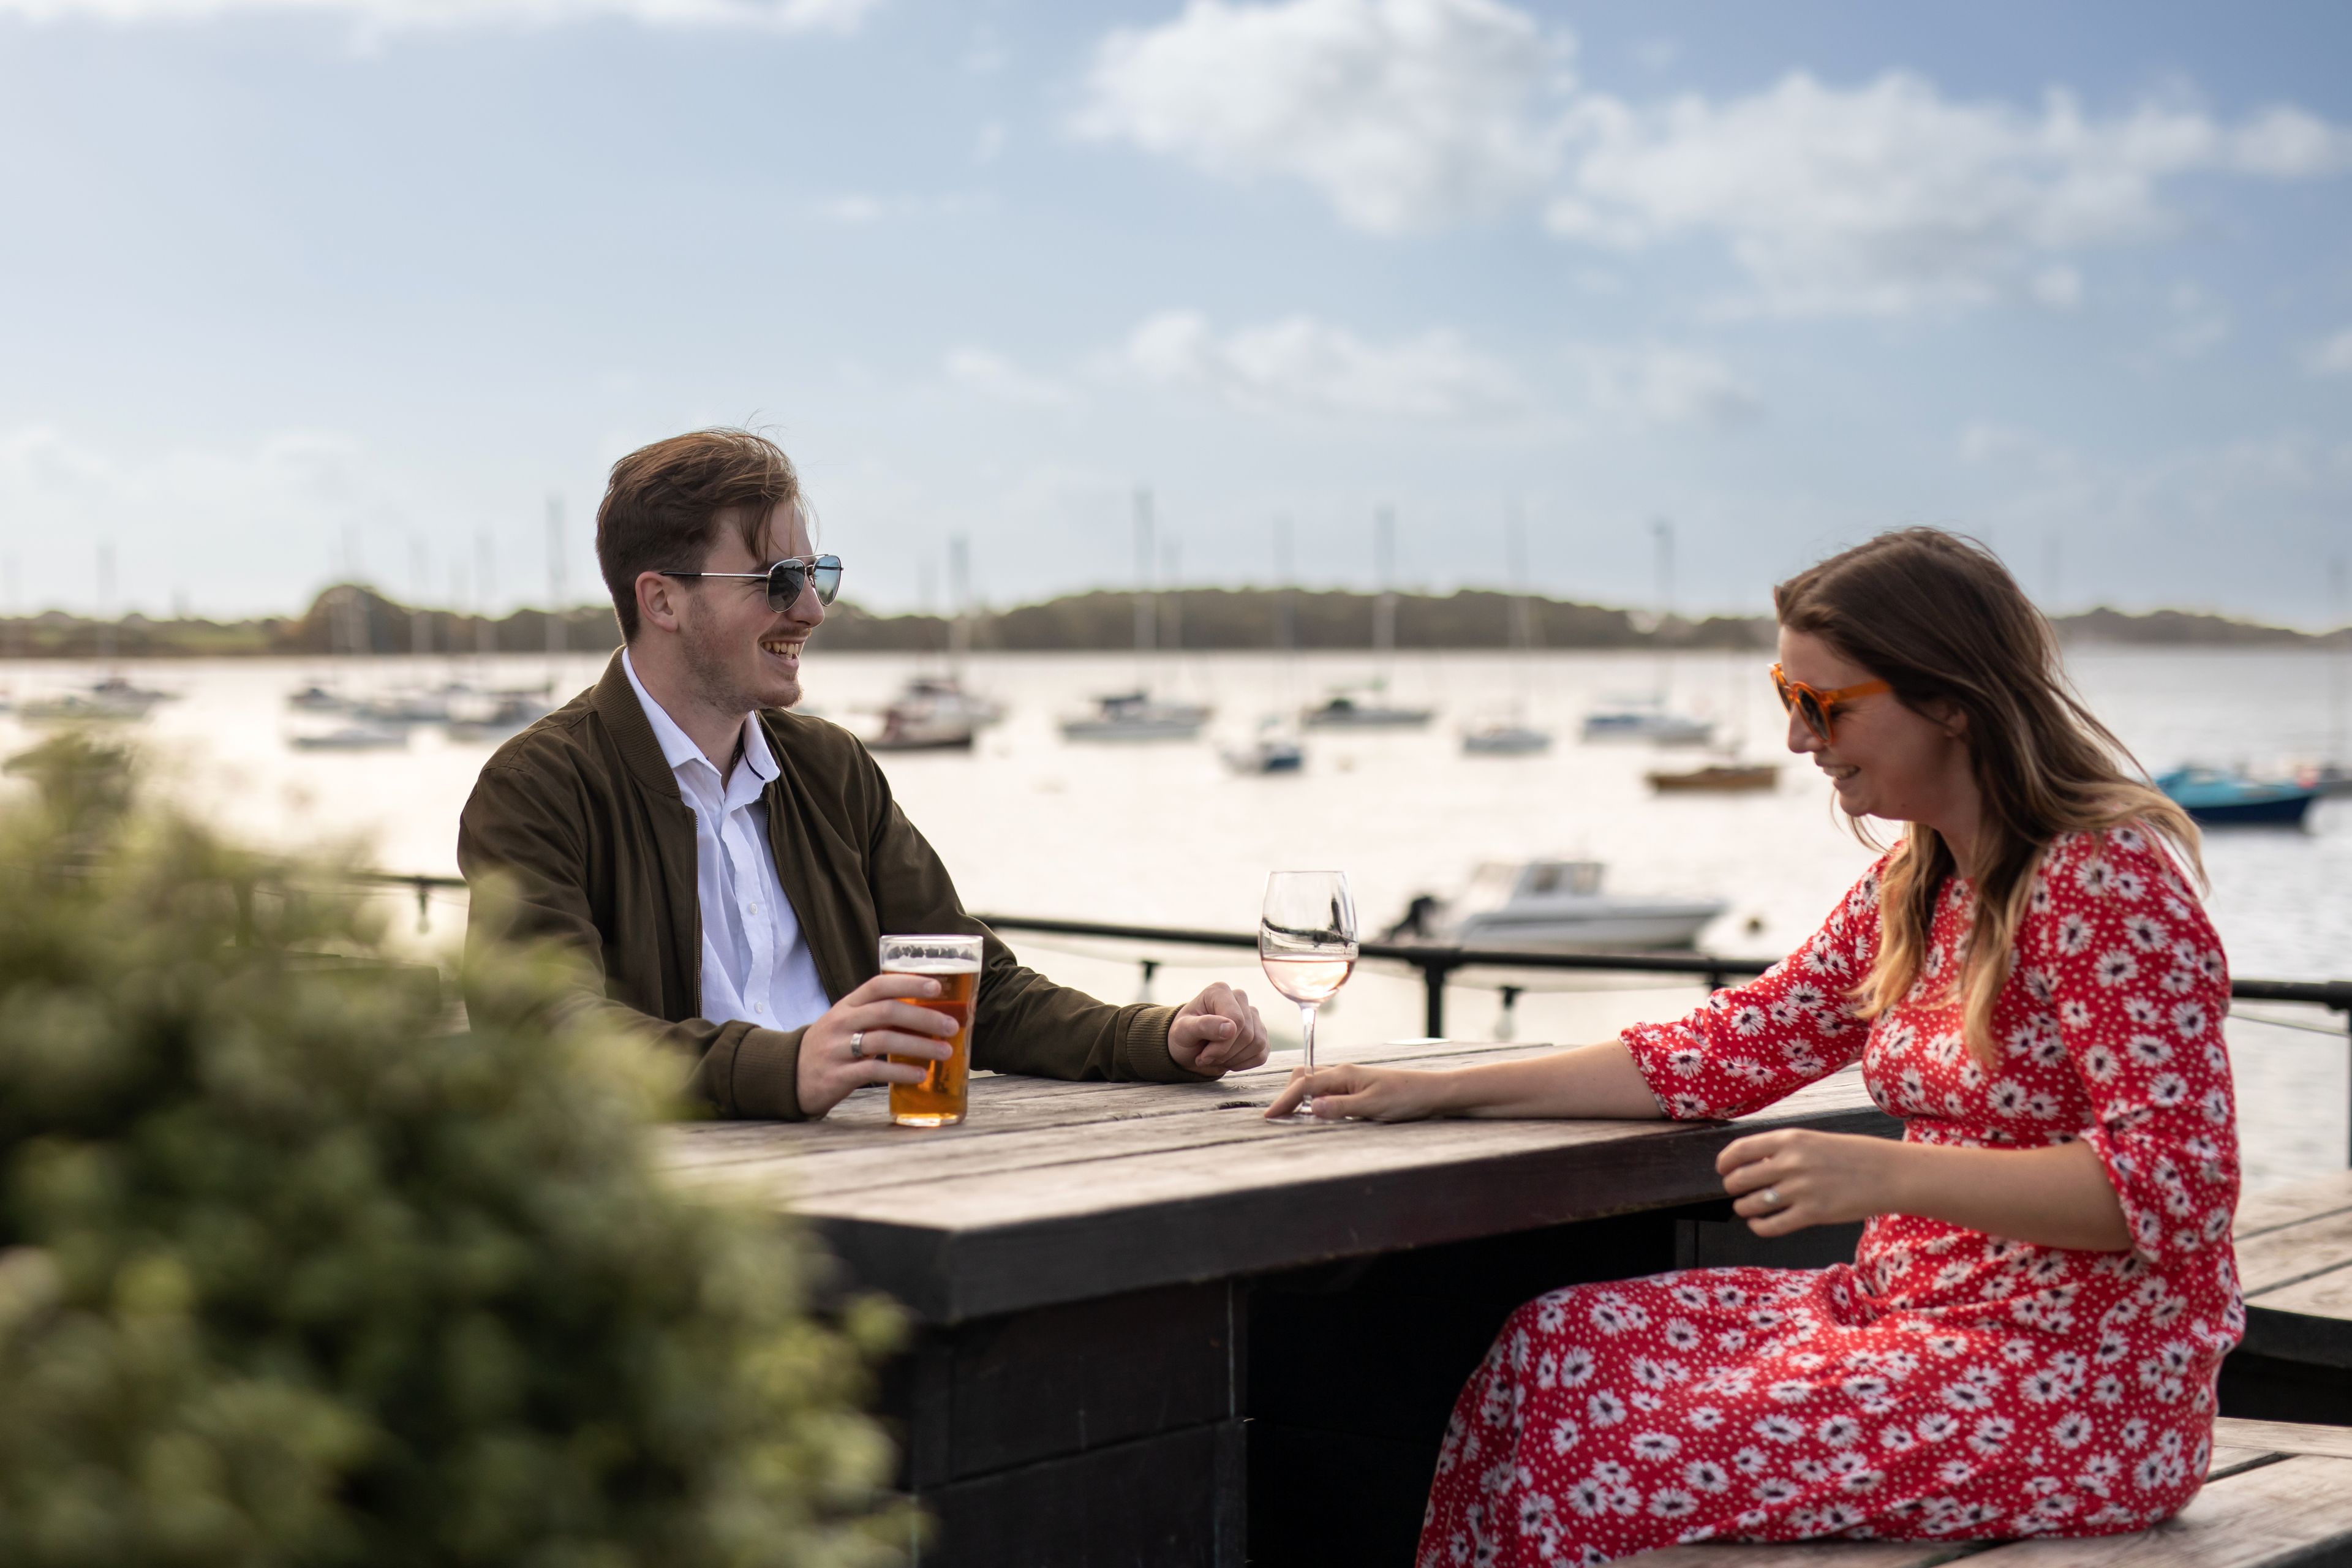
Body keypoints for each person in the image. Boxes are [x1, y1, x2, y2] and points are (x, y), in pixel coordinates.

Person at [1267, 529, 2239, 1566]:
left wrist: (1882, 1172)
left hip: (2081, 1386)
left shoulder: (2103, 879)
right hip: (1904, 1312)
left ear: (1951, 699)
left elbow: (2175, 1190)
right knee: (1549, 1350)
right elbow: (1724, 1048)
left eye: (1824, 705)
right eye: (1786, 695)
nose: (1795, 739)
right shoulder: (1916, 882)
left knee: (1608, 1455)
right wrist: (1444, 1091)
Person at [459, 428, 1267, 1119]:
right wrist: (787, 1066)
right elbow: (543, 1030)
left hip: (885, 1171)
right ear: (663, 601)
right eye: (778, 581)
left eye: (818, 576)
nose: (811, 610)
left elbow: (968, 987)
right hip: (678, 1218)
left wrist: (1159, 1034)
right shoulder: (537, 786)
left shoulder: (832, 768)